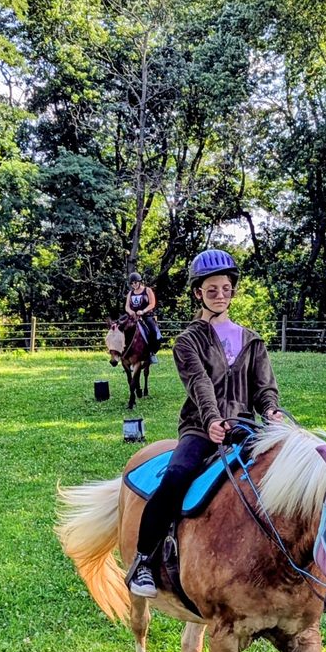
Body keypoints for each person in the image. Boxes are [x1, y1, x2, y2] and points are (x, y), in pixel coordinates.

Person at [126, 248, 282, 597]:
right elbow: (199, 383)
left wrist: (271, 411)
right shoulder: (187, 341)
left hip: (245, 428)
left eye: (225, 288)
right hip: (200, 427)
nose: (220, 295)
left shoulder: (252, 339)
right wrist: (211, 420)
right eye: (211, 290)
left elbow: (264, 388)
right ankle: (144, 561)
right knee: (176, 478)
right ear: (198, 292)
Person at [126, 271, 160, 363]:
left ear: (139, 281)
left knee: (152, 330)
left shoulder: (147, 290)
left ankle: (152, 352)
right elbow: (127, 307)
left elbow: (152, 303)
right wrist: (131, 312)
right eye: (131, 283)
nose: (134, 284)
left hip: (146, 316)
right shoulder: (130, 293)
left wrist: (143, 311)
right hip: (134, 316)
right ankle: (125, 354)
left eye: (135, 282)